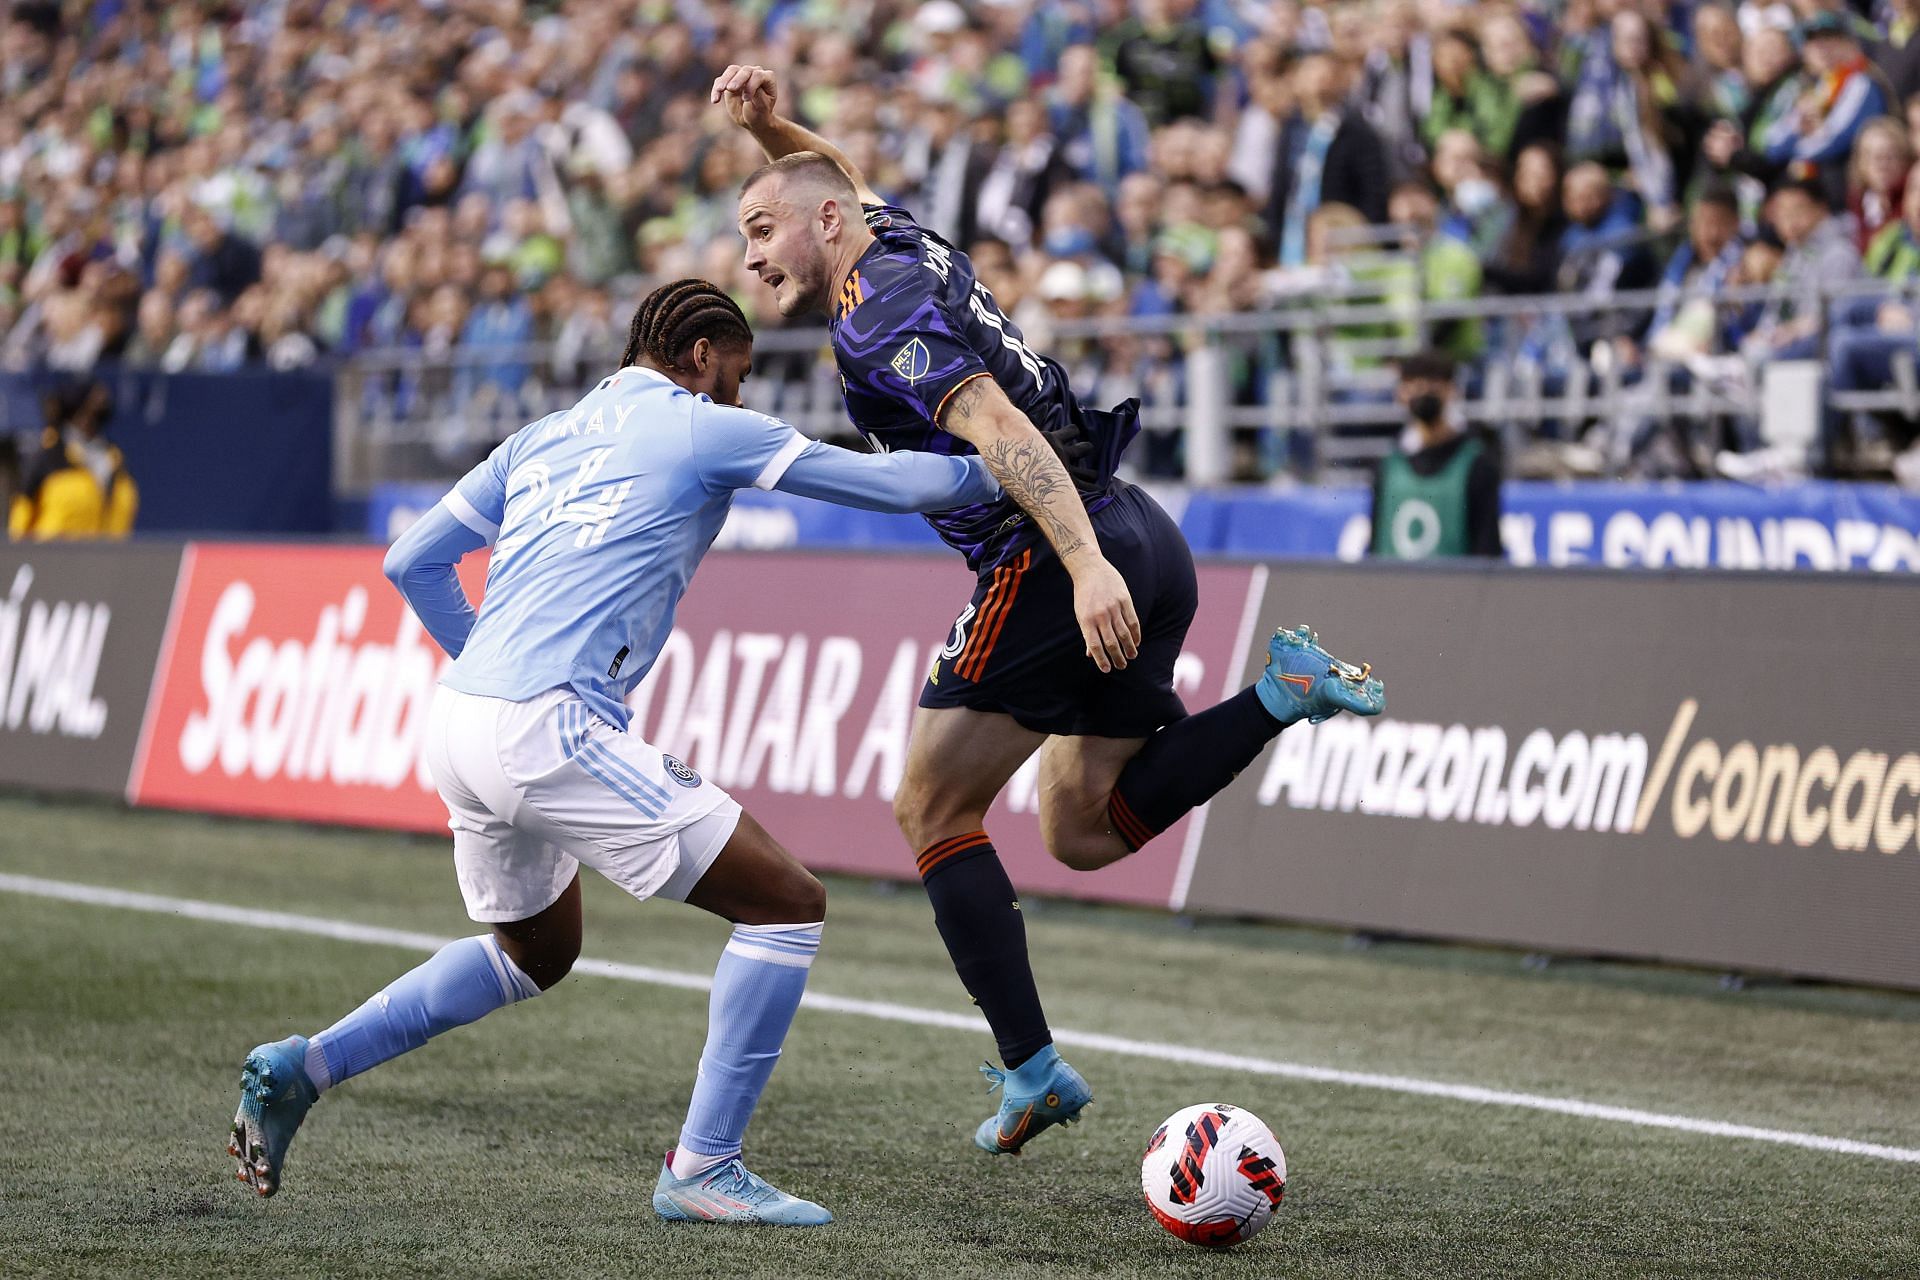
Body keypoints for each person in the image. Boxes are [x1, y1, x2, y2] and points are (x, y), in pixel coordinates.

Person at [226, 279, 1005, 1225]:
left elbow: (411, 562)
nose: (743, 396)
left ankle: (306, 1066)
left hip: (460, 720)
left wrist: (494, 663)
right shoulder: (701, 426)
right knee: (787, 905)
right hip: (544, 725)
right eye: (742, 375)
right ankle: (703, 1169)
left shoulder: (544, 434)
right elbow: (895, 486)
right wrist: (1013, 465)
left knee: (533, 953)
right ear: (706, 357)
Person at [711, 64, 1384, 1158]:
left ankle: (1032, 1068)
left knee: (929, 807)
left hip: (1058, 548)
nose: (749, 255)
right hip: (1142, 526)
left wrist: (1082, 567)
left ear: (824, 225)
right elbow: (827, 176)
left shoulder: (875, 313)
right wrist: (765, 129)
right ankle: (1280, 690)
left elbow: (998, 431)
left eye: (759, 229)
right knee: (1079, 826)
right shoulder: (898, 245)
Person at [1370, 351, 1503, 559]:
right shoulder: (1388, 468)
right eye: (1414, 383)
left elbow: (1487, 551)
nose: (1423, 390)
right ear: (1400, 394)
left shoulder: (1477, 466)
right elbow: (1376, 546)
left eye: (1433, 381)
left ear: (1452, 390)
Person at [8, 380, 137, 540]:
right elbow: (20, 518)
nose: (101, 403)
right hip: (54, 560)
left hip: (109, 560)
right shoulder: (49, 455)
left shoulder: (115, 458)